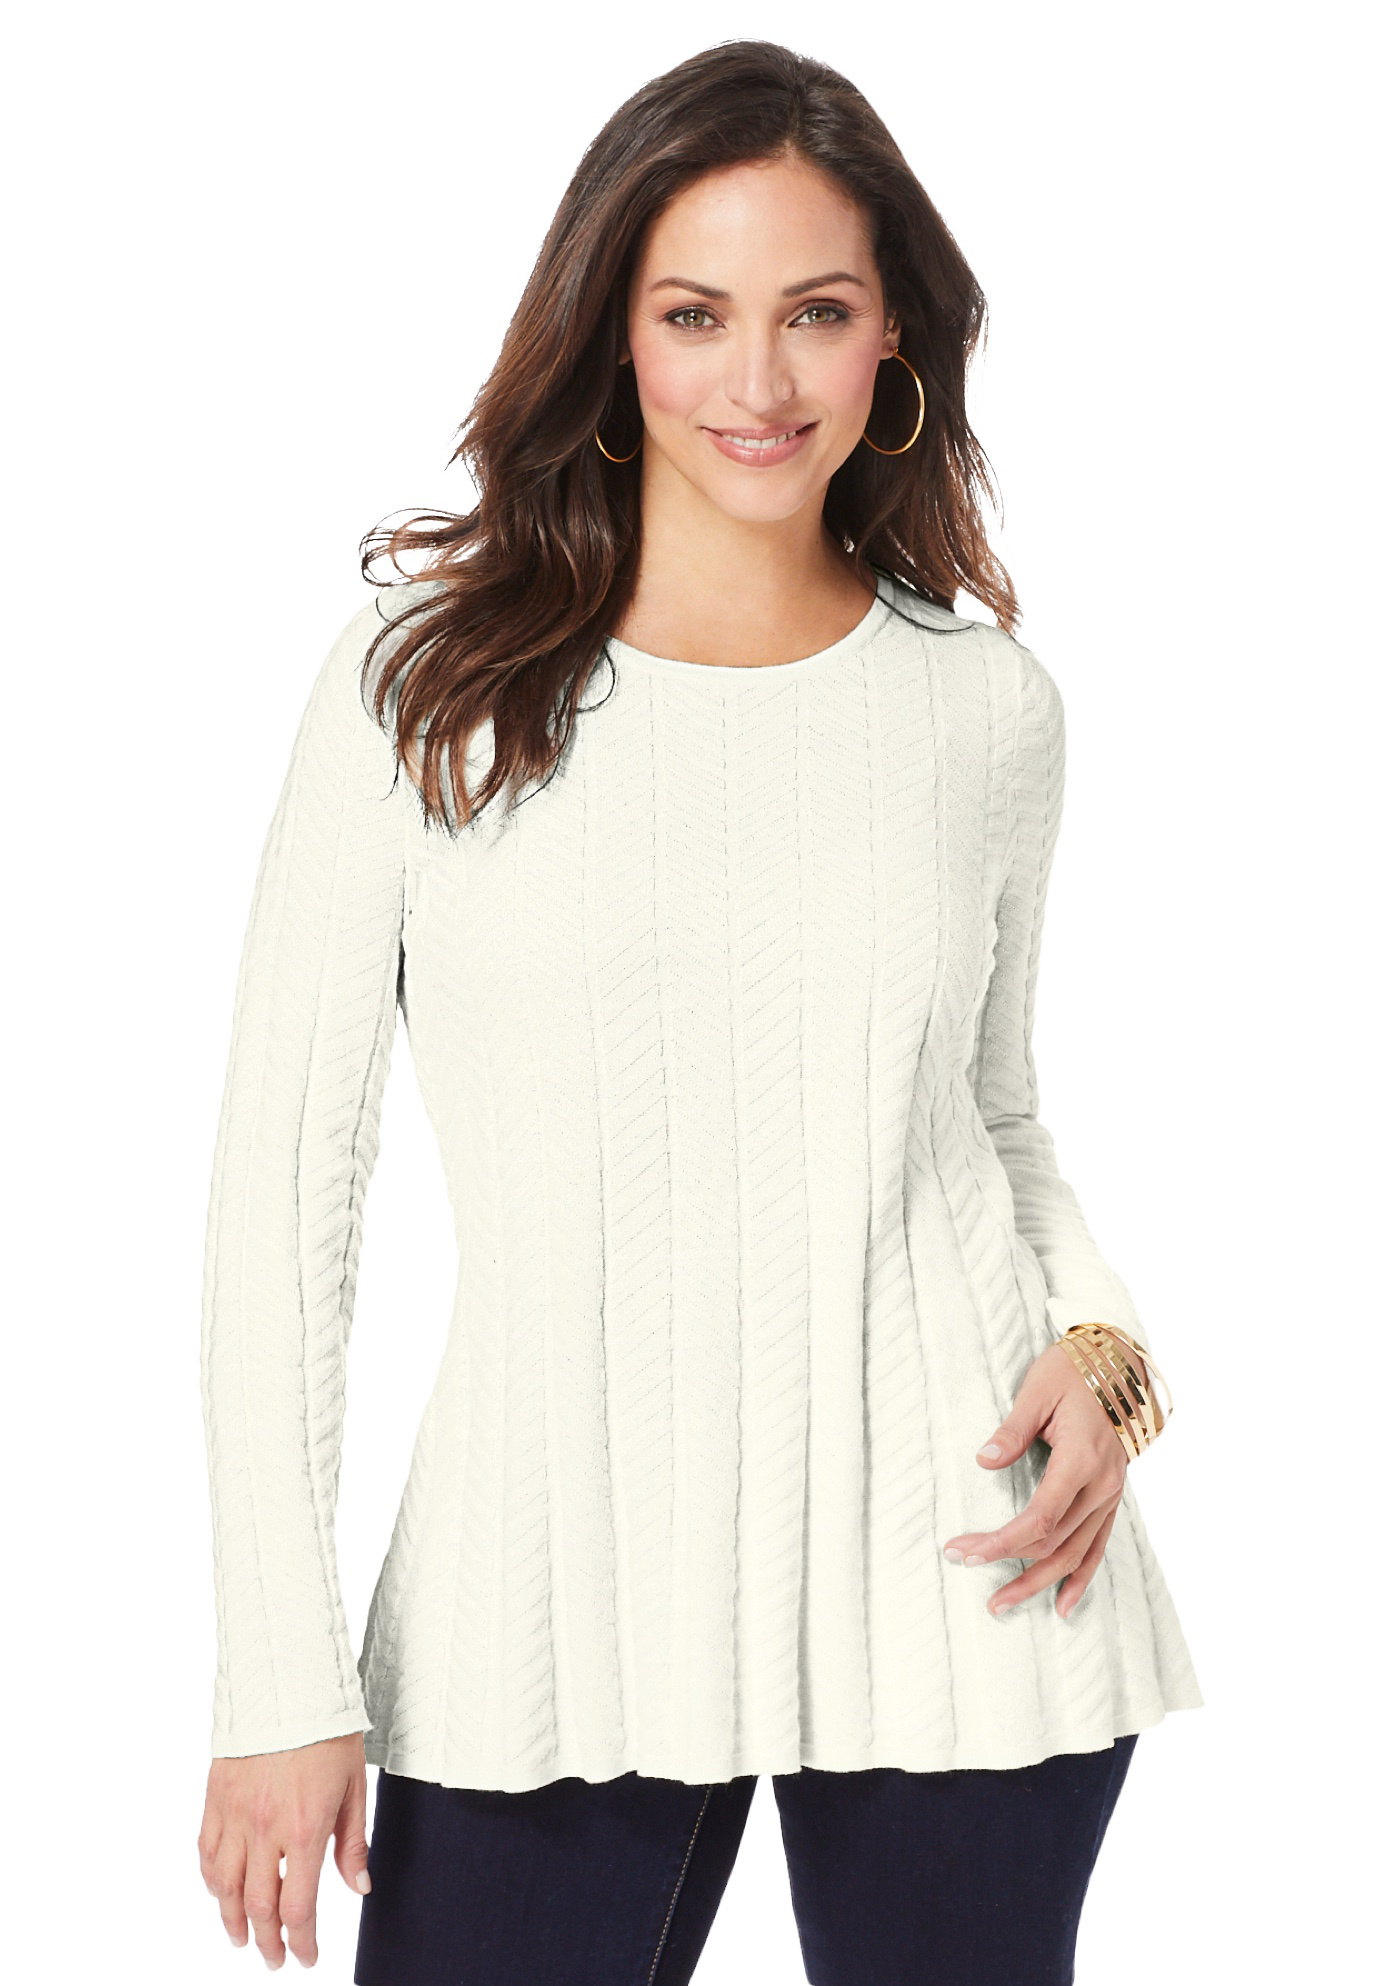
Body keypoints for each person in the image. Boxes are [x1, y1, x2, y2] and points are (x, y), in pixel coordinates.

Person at [195, 38, 1203, 1986]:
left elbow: (993, 1116)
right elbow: (280, 1205)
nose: (759, 381)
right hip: (548, 1604)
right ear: (611, 334)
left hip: (966, 1583)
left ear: (893, 336)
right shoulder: (423, 689)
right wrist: (276, 1667)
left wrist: (1112, 1359)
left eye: (815, 312)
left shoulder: (984, 707)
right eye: (694, 314)